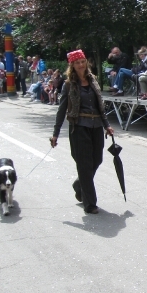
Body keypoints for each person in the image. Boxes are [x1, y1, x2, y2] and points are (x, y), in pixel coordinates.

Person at [50, 50, 114, 214]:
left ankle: (79, 184)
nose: (81, 65)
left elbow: (100, 106)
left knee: (97, 160)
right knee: (84, 165)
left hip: (96, 126)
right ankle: (90, 203)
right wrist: (55, 133)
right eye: (77, 62)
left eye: (83, 61)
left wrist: (107, 125)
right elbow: (61, 110)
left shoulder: (93, 81)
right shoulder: (69, 84)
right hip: (79, 127)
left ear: (86, 63)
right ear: (72, 65)